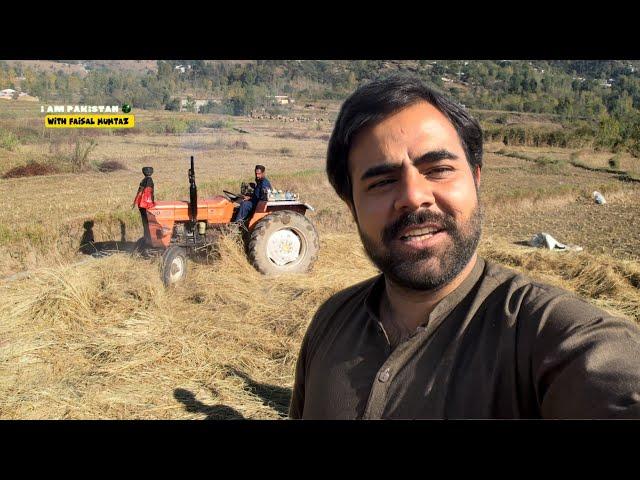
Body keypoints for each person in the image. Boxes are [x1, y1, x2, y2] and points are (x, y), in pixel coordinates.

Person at [289, 74, 640, 419]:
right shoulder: (330, 322)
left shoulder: (547, 334)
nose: (413, 197)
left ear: (475, 179)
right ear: (351, 206)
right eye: (382, 181)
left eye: (439, 169)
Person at [132, 166, 155, 246]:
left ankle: (146, 237)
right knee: (149, 223)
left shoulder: (143, 180)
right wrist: (151, 203)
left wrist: (135, 202)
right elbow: (148, 193)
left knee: (145, 222)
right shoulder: (149, 180)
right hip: (146, 204)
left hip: (140, 204)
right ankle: (149, 239)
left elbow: (139, 192)